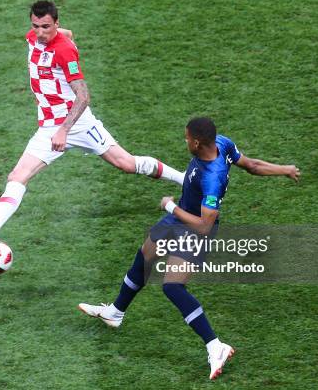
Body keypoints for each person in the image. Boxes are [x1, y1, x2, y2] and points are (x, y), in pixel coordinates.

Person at [78, 117, 300, 380]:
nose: (184, 141)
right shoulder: (222, 143)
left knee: (173, 286)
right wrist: (284, 169)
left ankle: (215, 346)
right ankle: (115, 312)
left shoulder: (212, 178)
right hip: (180, 216)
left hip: (193, 228)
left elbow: (205, 226)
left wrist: (171, 207)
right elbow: (251, 165)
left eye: (186, 138)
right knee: (145, 255)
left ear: (196, 143)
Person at [0, 0, 185, 245]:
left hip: (73, 123)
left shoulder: (63, 51)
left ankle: (183, 178)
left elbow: (83, 96)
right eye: (36, 26)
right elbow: (68, 34)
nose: (41, 33)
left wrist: (64, 130)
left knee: (126, 164)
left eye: (46, 27)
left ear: (56, 23)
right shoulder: (33, 37)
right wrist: (62, 35)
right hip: (50, 125)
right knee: (18, 176)